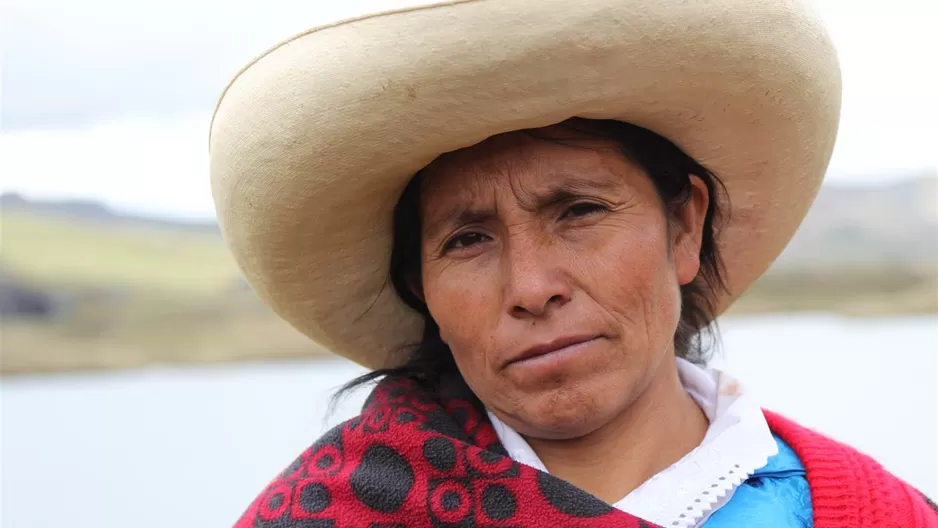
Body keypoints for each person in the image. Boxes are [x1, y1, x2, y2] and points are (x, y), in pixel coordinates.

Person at [208, 0, 938, 526]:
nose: (531, 287)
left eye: (581, 211)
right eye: (467, 240)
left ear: (684, 225)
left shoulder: (876, 515)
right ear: (418, 286)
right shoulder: (331, 516)